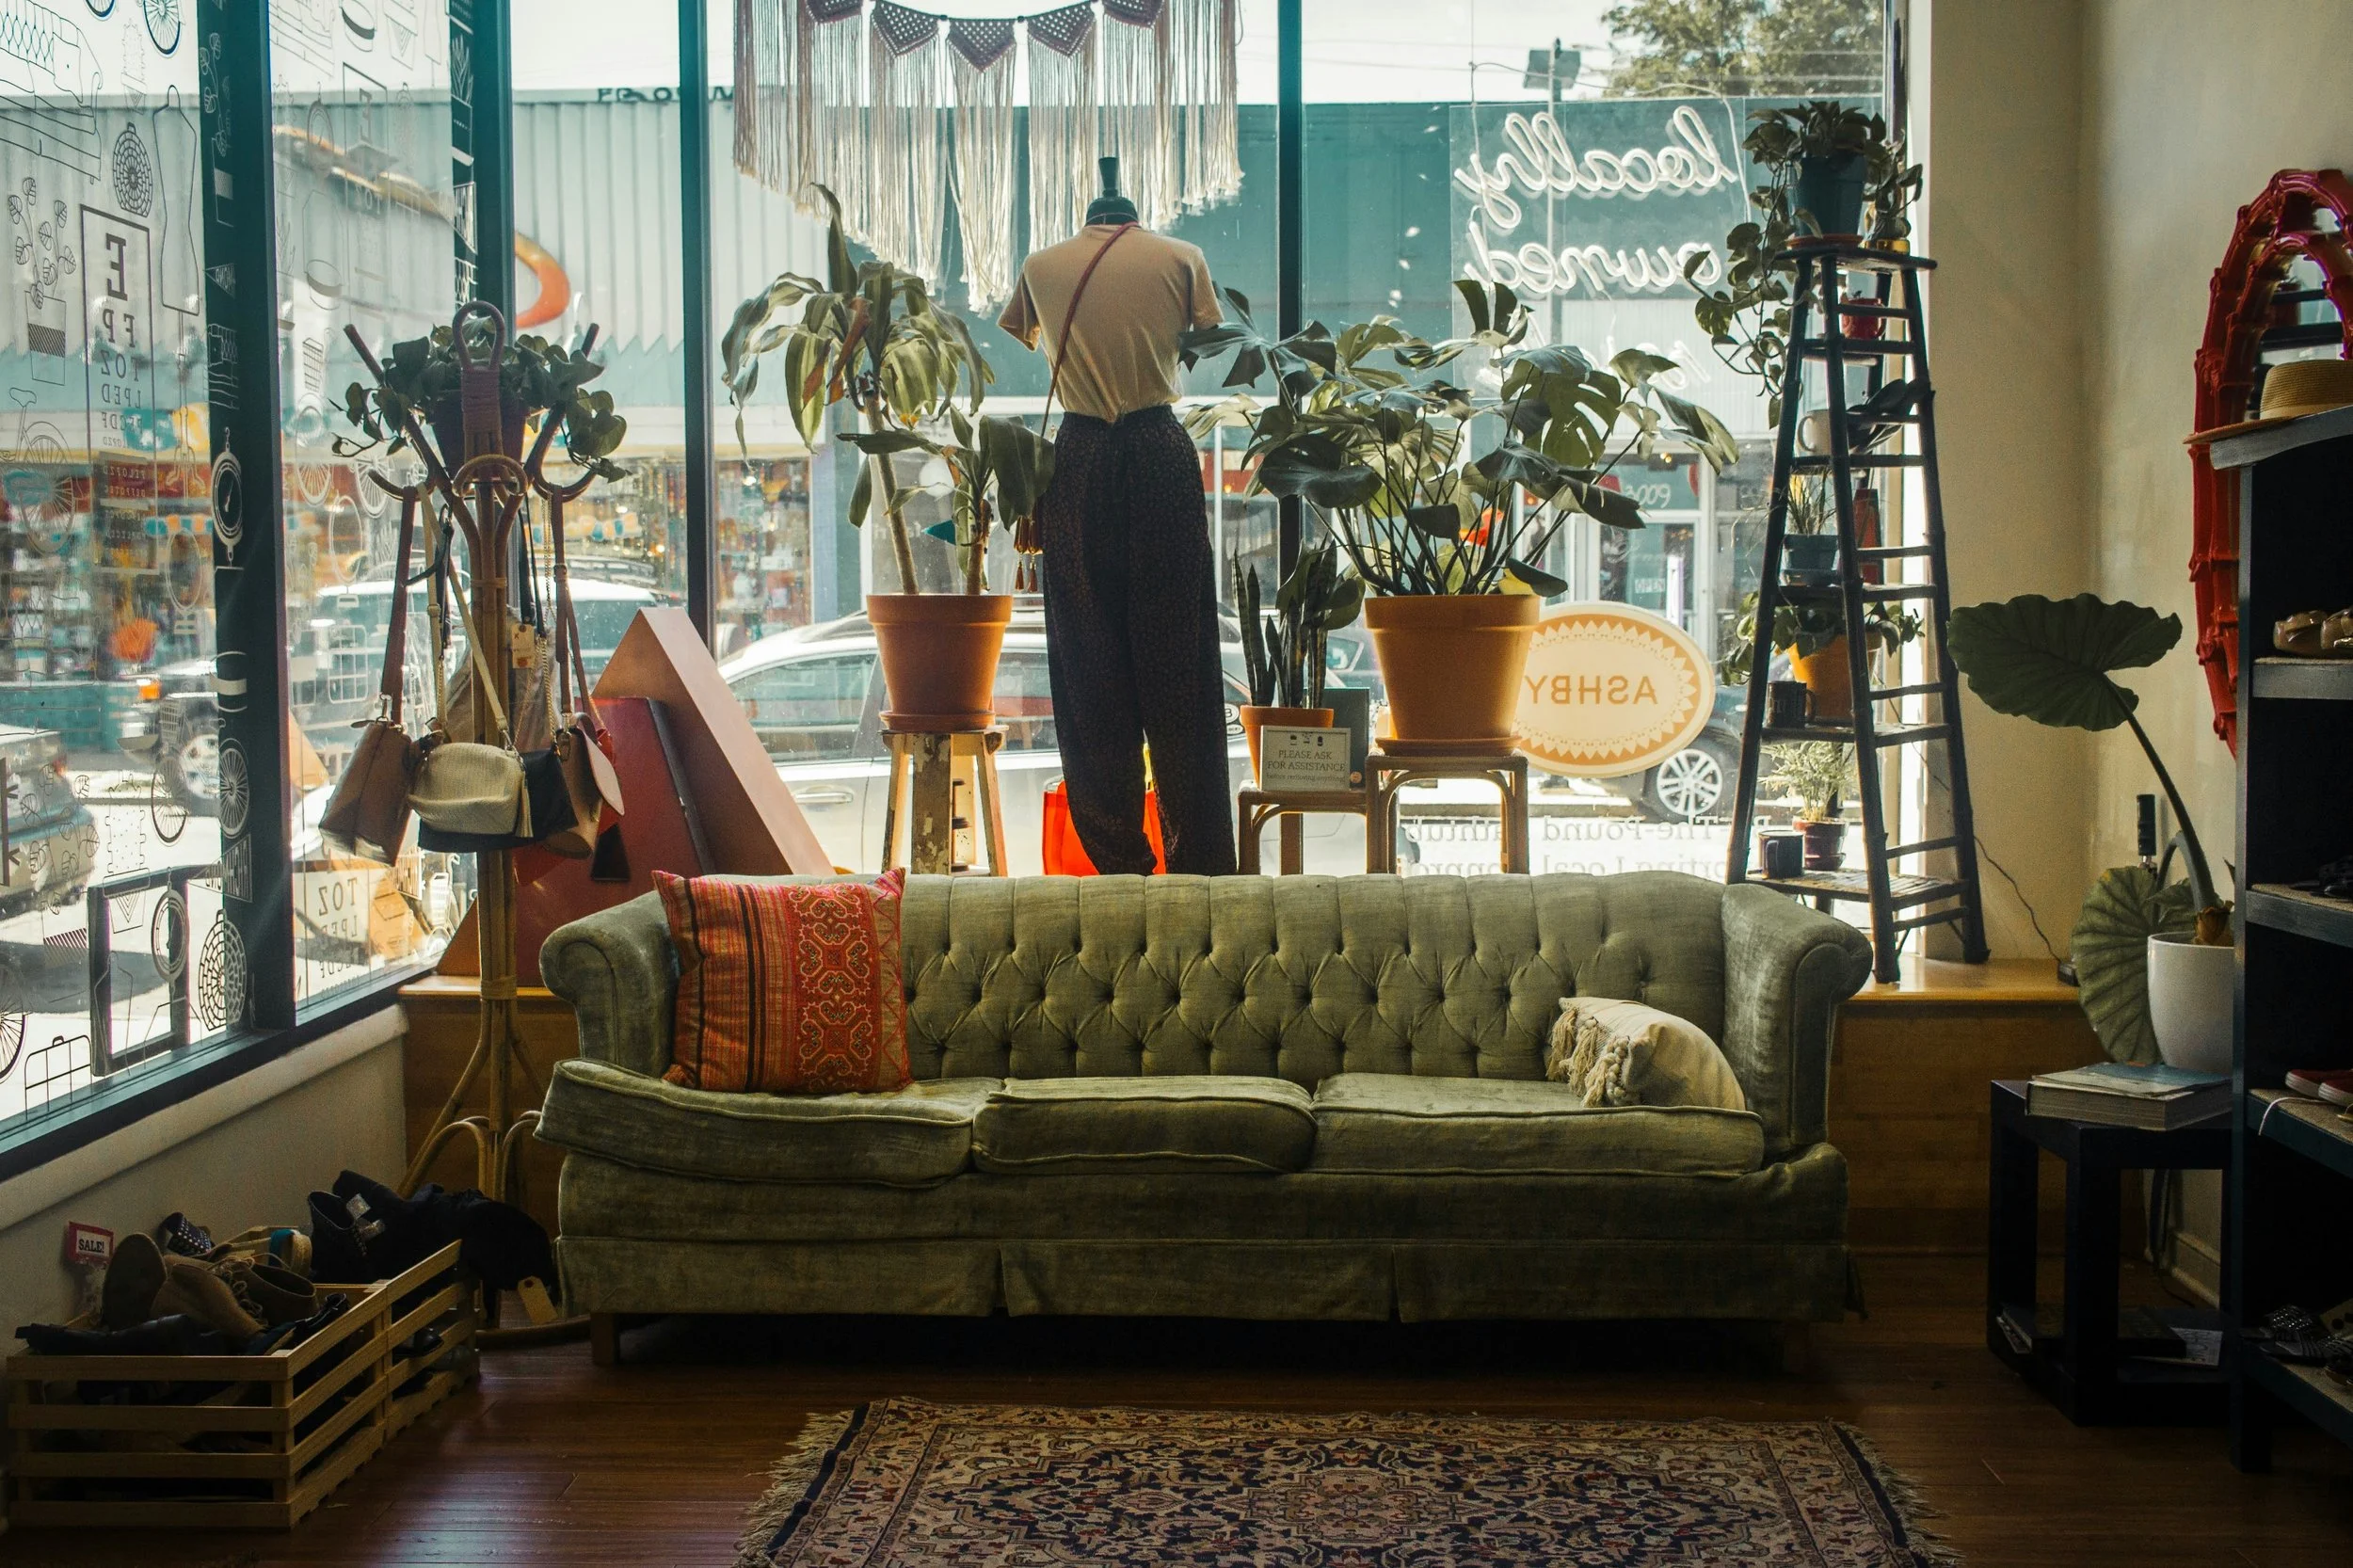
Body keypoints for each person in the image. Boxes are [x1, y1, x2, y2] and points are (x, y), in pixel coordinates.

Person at [998, 172, 1237, 876]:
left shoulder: (1044, 266)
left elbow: (1023, 333)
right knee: (1179, 662)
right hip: (1158, 451)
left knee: (1087, 662)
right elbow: (1207, 333)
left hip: (1078, 460)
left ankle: (1120, 868)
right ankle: (1199, 871)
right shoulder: (1179, 258)